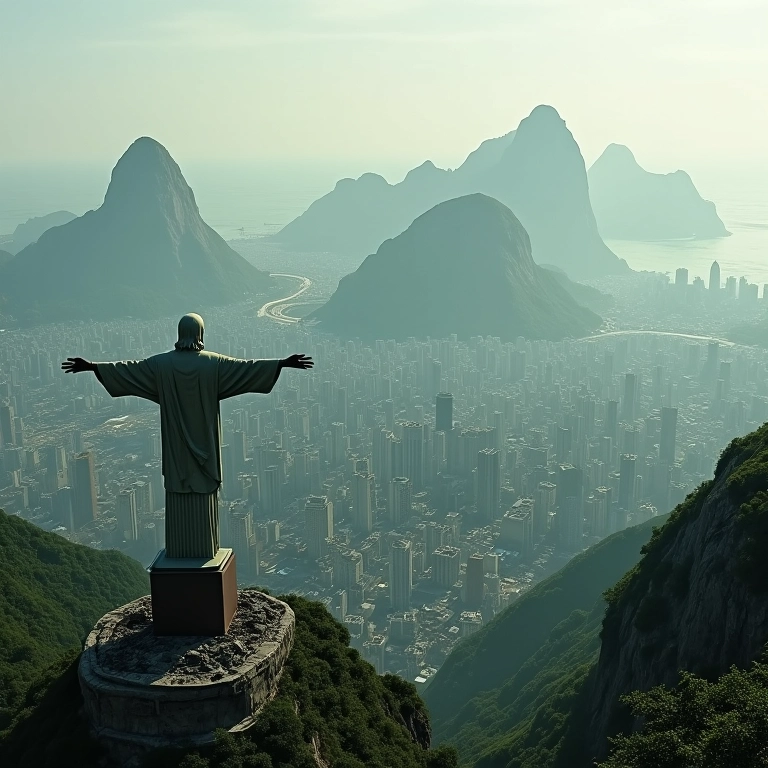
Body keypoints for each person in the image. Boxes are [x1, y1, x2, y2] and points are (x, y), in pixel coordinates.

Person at [62, 312, 313, 559]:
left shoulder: (160, 365)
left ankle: (180, 553)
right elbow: (246, 369)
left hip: (176, 453)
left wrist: (93, 367)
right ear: (200, 333)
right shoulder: (214, 364)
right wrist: (281, 363)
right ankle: (205, 553)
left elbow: (128, 370)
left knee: (178, 498)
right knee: (204, 502)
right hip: (207, 448)